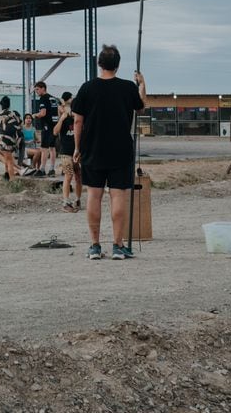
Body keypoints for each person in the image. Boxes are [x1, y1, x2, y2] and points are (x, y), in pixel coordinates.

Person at [71, 45, 146, 260]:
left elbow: (77, 119)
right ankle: (118, 245)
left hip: (92, 149)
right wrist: (142, 84)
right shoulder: (127, 88)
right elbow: (140, 108)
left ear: (99, 63)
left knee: (94, 195)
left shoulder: (87, 88)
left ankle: (95, 246)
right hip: (121, 150)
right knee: (118, 196)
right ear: (118, 64)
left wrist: (77, 147)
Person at [55, 93, 80, 212]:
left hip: (77, 151)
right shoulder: (65, 119)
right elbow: (55, 132)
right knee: (69, 175)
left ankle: (78, 199)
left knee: (78, 176)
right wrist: (62, 118)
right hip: (66, 152)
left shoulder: (79, 119)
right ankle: (65, 202)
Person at [33, 81, 59, 173]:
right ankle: (52, 169)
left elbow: (43, 113)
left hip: (47, 126)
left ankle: (42, 169)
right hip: (55, 125)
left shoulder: (43, 99)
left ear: (43, 88)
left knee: (44, 148)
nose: (36, 91)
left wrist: (35, 115)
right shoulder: (53, 98)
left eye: (37, 89)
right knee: (52, 148)